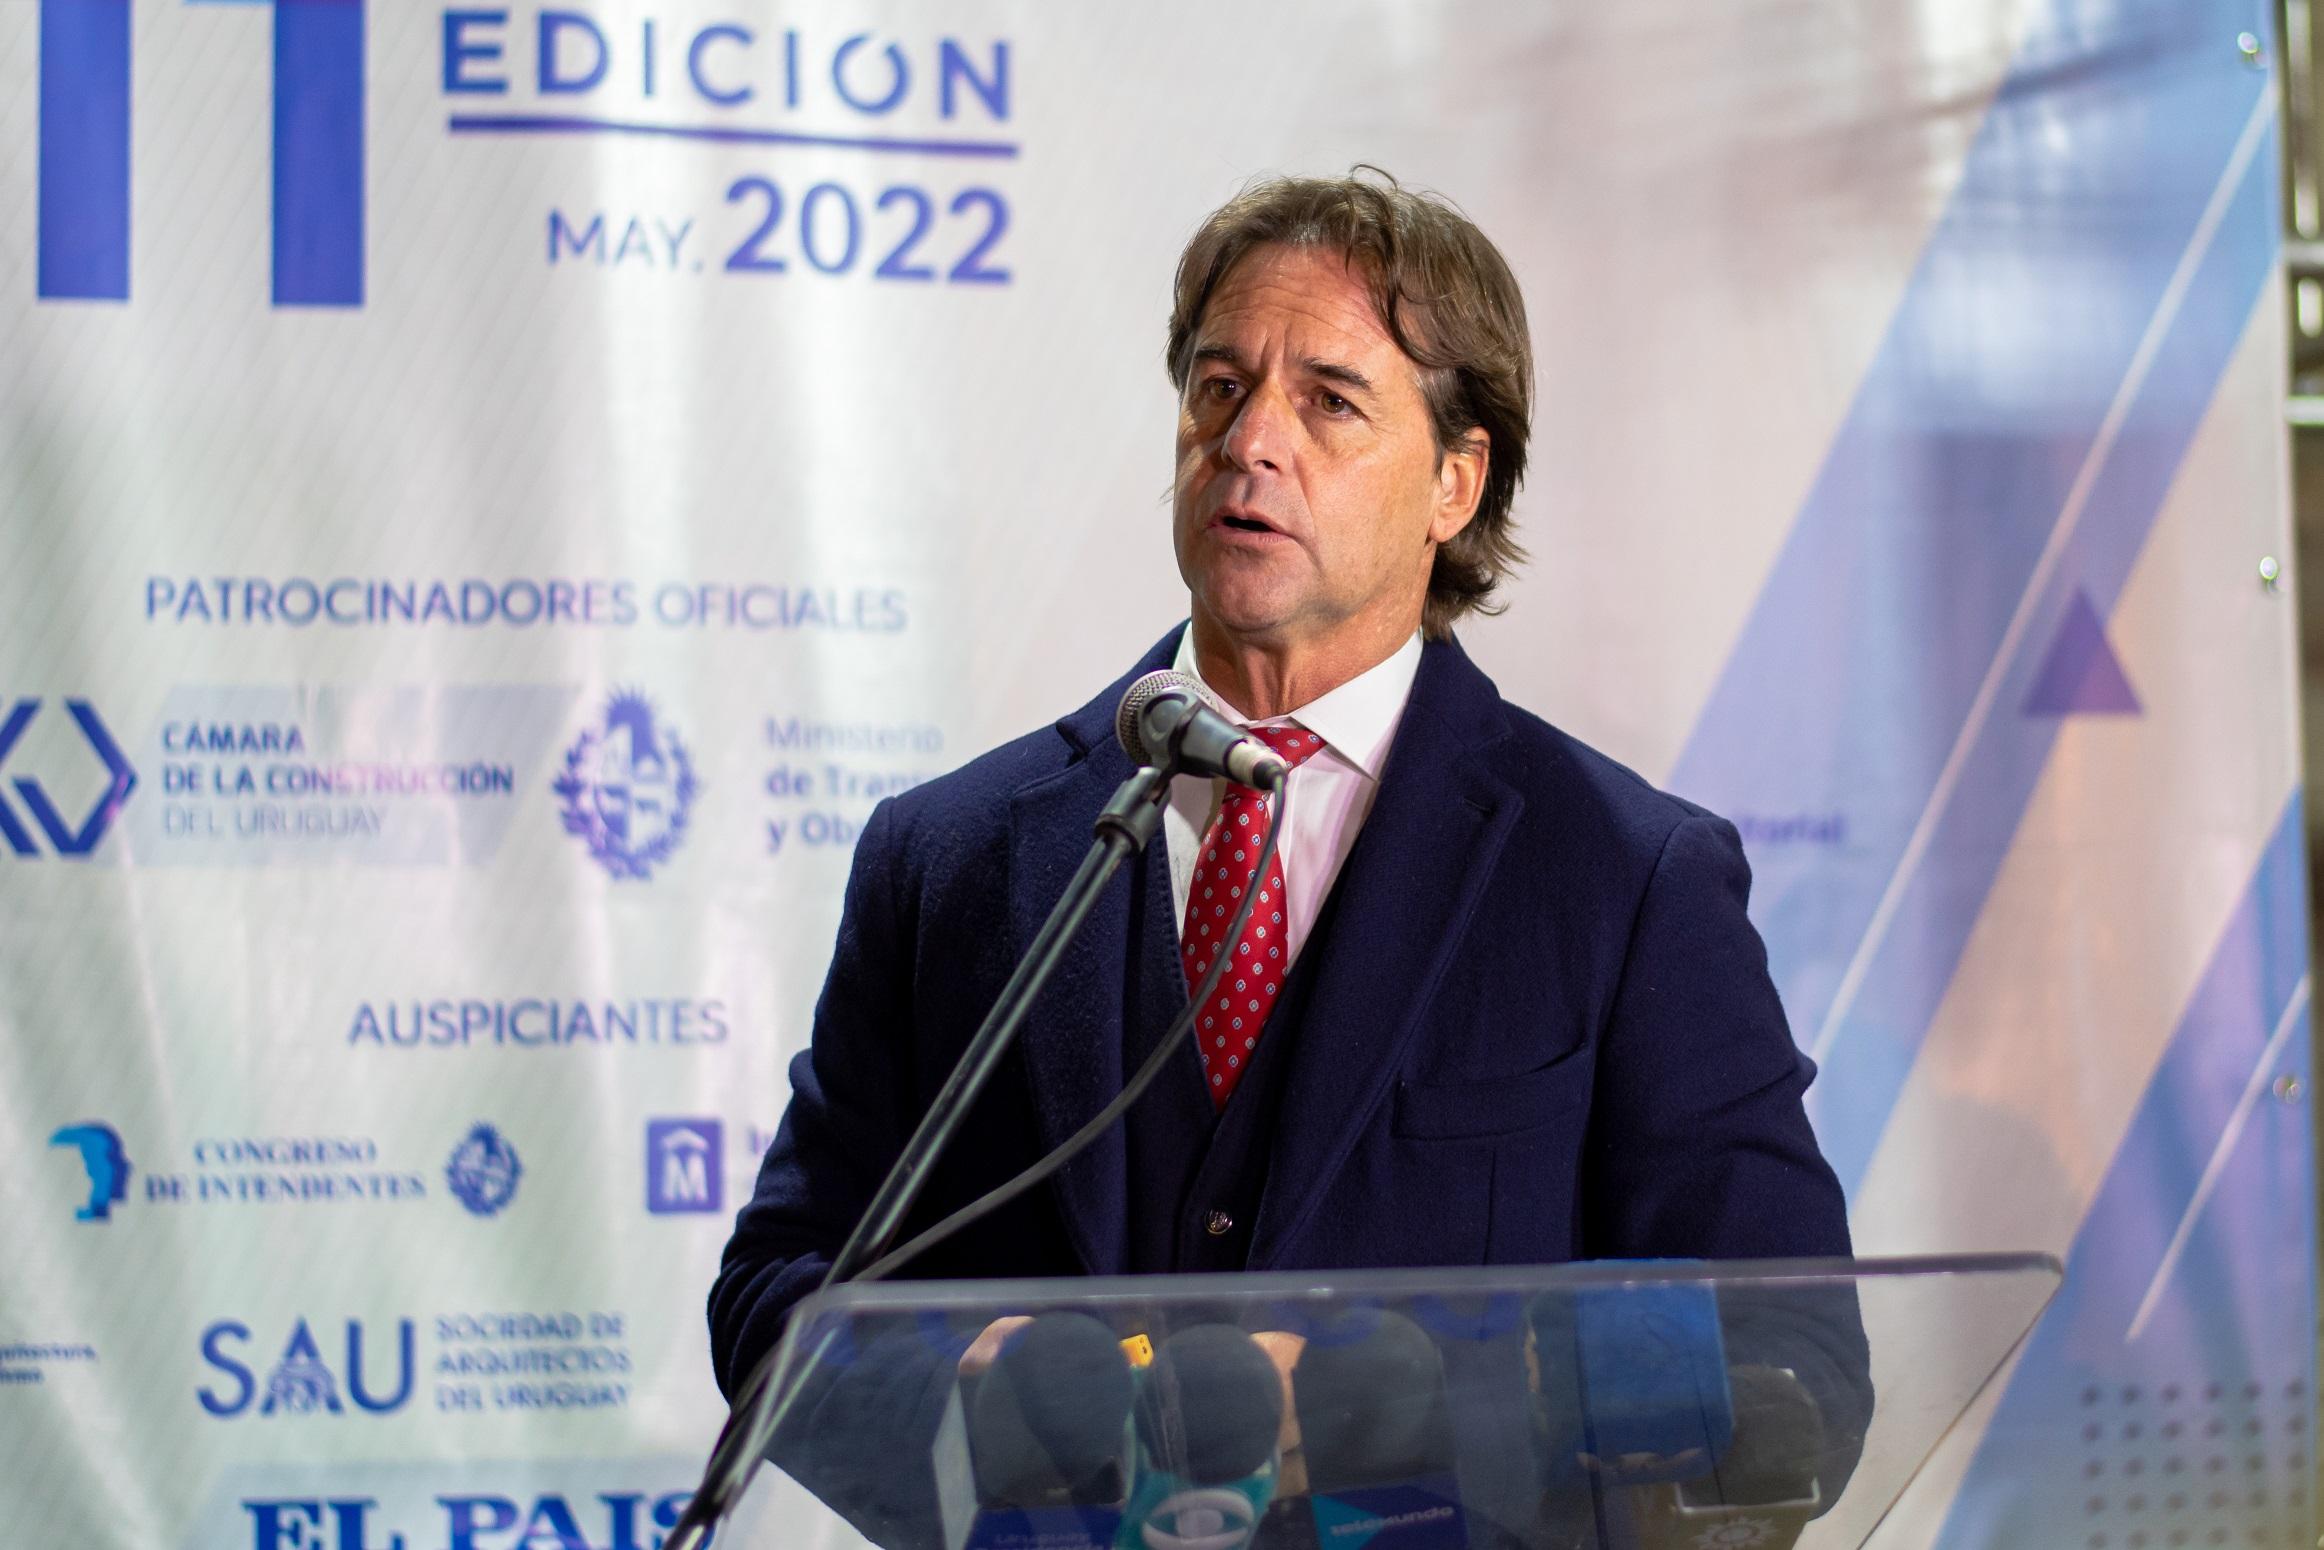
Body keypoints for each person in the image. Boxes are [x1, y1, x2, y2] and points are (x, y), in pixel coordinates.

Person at [709, 169, 1854, 1447]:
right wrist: (975, 1370)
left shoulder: (1623, 879)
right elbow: (774, 1294)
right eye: (1218, 388)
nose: (1250, 440)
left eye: (1328, 402)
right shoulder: (953, 858)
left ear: (1453, 486)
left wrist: (1408, 1395)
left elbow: (1788, 1359)